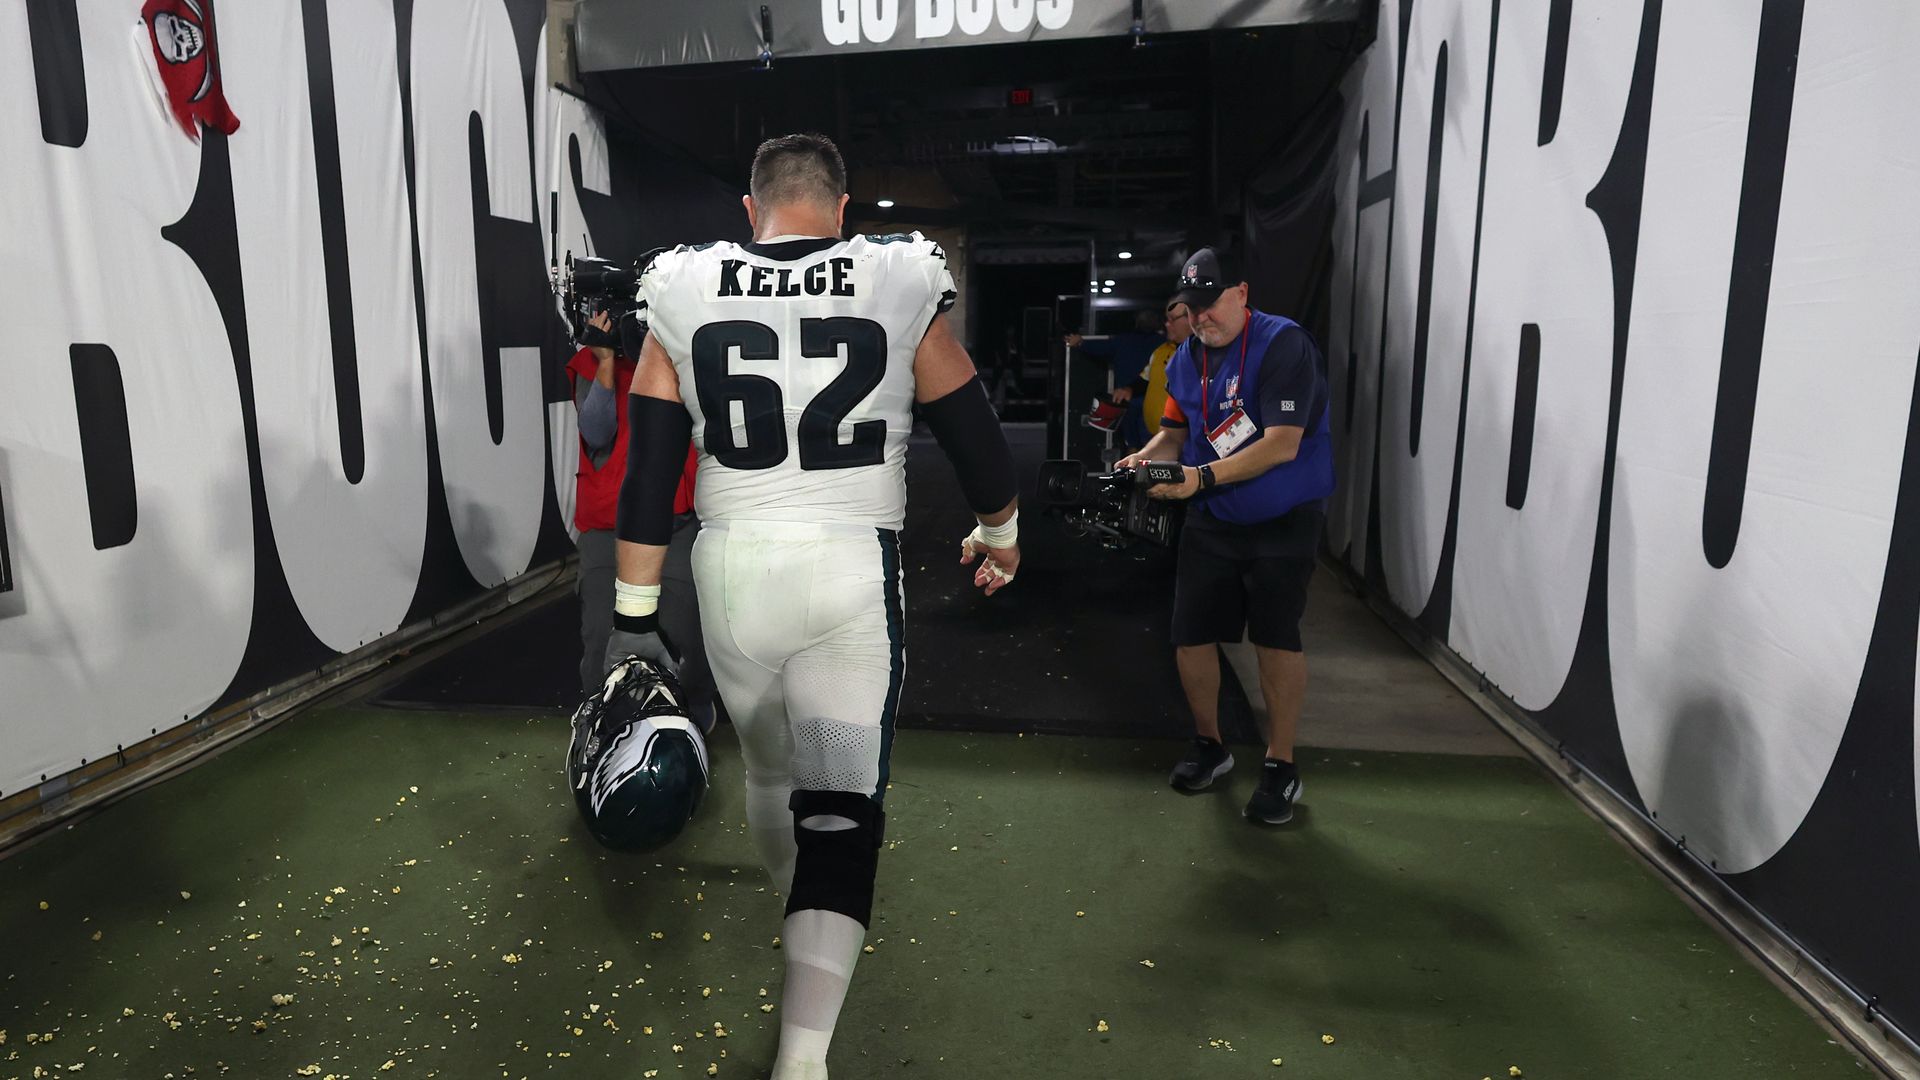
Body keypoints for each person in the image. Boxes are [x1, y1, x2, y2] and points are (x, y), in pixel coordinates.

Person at [605, 132, 1020, 1080]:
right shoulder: (894, 277)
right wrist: (1000, 529)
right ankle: (804, 1052)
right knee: (839, 806)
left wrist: (634, 621)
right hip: (845, 574)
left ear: (750, 212)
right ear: (840, 211)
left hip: (732, 573)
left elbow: (649, 469)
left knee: (764, 772)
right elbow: (973, 429)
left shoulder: (684, 284)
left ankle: (796, 913)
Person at [1118, 246, 1334, 825]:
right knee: (1191, 635)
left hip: (1283, 516)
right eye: (1191, 307)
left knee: (1275, 637)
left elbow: (1283, 442)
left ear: (1240, 293)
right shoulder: (1186, 358)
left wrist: (1197, 477)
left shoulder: (1283, 344)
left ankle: (1280, 765)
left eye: (1211, 304)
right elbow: (1173, 431)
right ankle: (1211, 747)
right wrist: (1141, 460)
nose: (1200, 317)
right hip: (1213, 513)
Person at [564, 310, 719, 729]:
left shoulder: (690, 359)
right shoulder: (591, 364)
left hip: (676, 520)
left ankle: (689, 723)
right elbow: (596, 432)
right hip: (607, 524)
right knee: (601, 638)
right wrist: (606, 362)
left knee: (683, 634)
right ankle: (605, 728)